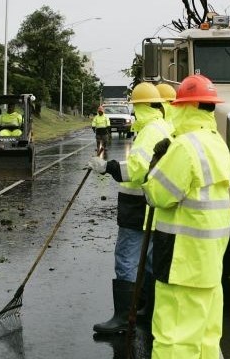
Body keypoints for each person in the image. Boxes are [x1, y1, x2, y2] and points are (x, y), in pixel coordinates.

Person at [123, 74, 230, 359]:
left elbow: (158, 194)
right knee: (204, 333)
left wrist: (155, 167)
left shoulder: (185, 147)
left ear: (183, 107)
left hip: (182, 258)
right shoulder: (217, 143)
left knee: (172, 333)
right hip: (210, 259)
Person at [86, 82, 172, 333]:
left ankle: (123, 317)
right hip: (153, 206)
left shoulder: (150, 131)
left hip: (137, 206)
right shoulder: (164, 126)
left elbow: (137, 168)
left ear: (144, 106)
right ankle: (146, 309)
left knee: (126, 258)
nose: (133, 113)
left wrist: (107, 167)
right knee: (148, 261)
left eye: (135, 107)